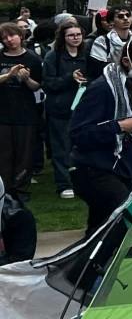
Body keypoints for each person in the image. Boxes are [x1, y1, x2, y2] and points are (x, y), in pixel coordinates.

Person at [68, 35, 132, 236]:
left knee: (101, 228)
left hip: (123, 166)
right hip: (95, 168)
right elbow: (78, 133)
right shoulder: (102, 89)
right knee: (123, 220)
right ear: (127, 62)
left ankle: (93, 263)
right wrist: (118, 127)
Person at [42, 18, 88, 200]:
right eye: (71, 35)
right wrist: (70, 77)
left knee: (82, 147)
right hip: (60, 109)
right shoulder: (53, 56)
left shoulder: (87, 54)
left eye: (78, 34)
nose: (75, 38)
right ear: (63, 37)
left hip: (83, 109)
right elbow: (48, 83)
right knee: (61, 147)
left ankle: (81, 182)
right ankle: (64, 183)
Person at [0, 23, 42, 194]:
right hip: (2, 113)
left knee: (24, 154)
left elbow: (36, 86)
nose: (9, 40)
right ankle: (4, 189)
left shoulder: (32, 58)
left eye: (12, 35)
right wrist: (9, 74)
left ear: (20, 36)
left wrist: (26, 79)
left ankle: (20, 190)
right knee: (4, 154)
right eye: (4, 37)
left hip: (25, 113)